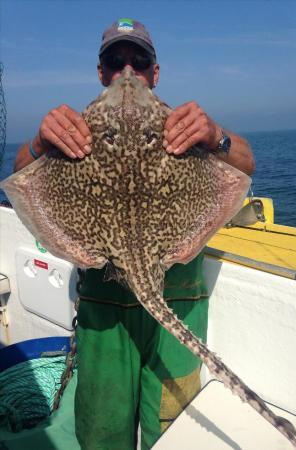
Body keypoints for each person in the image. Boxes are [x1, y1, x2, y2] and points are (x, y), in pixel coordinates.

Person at [14, 18, 255, 450]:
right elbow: (22, 178)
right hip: (104, 315)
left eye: (139, 61)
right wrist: (39, 142)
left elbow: (244, 165)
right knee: (103, 432)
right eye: (115, 61)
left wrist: (215, 135)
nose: (128, 73)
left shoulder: (186, 127)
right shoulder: (75, 131)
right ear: (101, 71)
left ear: (154, 72)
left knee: (172, 432)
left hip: (175, 302)